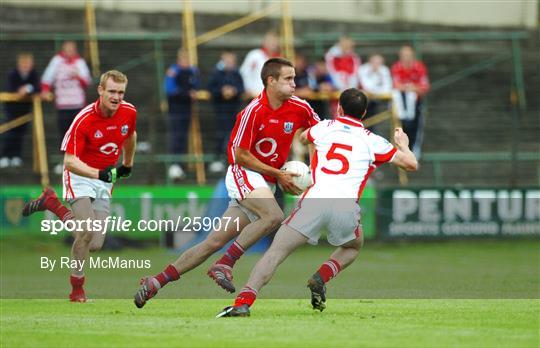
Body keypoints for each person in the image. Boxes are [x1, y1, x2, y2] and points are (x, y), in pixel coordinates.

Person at [133, 58, 320, 308]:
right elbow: (240, 154)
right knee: (274, 216)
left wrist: (315, 168)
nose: (294, 84)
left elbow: (319, 134)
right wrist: (278, 173)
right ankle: (226, 263)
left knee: (214, 241)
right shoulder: (252, 112)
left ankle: (156, 282)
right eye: (288, 79)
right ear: (271, 81)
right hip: (243, 172)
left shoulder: (301, 108)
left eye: (294, 78)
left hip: (264, 181)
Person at [216, 88, 418, 317]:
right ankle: (321, 277)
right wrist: (403, 145)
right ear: (363, 113)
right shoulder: (374, 142)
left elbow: (304, 137)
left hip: (314, 201)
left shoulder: (323, 128)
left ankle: (243, 302)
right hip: (345, 206)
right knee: (353, 246)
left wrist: (311, 164)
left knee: (276, 253)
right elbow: (411, 164)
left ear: (338, 108)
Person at [23, 70, 137, 302]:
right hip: (80, 176)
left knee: (95, 243)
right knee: (85, 232)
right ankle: (77, 288)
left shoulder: (129, 111)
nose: (117, 97)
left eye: (121, 92)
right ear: (101, 91)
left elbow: (131, 135)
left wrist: (127, 164)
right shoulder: (84, 119)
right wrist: (99, 173)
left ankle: (54, 205)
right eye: (112, 91)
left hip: (104, 179)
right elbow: (69, 161)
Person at [41, 41, 92, 175]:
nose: (69, 51)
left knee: (79, 134)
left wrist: (78, 77)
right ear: (63, 50)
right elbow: (46, 79)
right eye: (67, 49)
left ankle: (79, 162)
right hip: (63, 105)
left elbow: (87, 81)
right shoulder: (56, 61)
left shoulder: (80, 62)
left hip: (78, 105)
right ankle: (65, 163)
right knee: (64, 135)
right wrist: (45, 90)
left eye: (72, 49)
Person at [165, 48, 200, 181]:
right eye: (183, 58)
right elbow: (170, 90)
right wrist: (186, 94)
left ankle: (180, 164)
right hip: (176, 109)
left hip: (187, 109)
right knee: (176, 135)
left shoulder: (193, 71)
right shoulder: (174, 71)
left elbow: (196, 86)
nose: (186, 61)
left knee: (184, 136)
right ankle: (174, 164)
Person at [207, 51, 245, 174]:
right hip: (220, 110)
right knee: (220, 134)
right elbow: (211, 89)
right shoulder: (216, 74)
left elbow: (241, 88)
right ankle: (218, 158)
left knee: (232, 135)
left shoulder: (236, 74)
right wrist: (221, 91)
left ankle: (228, 159)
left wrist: (233, 91)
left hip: (233, 110)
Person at [1, 52, 40, 168]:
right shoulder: (13, 74)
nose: (26, 66)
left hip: (25, 110)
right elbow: (9, 88)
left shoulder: (33, 74)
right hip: (12, 110)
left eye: (28, 63)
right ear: (19, 64)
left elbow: (37, 87)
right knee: (10, 133)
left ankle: (16, 156)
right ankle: (5, 156)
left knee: (20, 134)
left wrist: (28, 88)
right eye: (24, 63)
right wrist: (19, 91)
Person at [391, 45, 430, 158]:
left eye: (409, 55)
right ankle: (400, 151)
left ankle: (414, 151)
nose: (406, 58)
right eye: (404, 55)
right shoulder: (396, 68)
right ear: (400, 56)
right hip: (400, 104)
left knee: (415, 127)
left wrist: (409, 88)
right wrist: (411, 87)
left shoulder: (419, 67)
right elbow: (395, 85)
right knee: (400, 128)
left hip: (416, 103)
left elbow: (424, 87)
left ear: (413, 56)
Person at [239, 31, 280, 98]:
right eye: (270, 41)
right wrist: (248, 90)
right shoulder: (254, 55)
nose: (273, 43)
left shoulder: (280, 60)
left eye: (275, 41)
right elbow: (244, 73)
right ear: (264, 42)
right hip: (253, 96)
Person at [359, 54, 393, 132]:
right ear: (370, 61)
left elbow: (387, 88)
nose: (376, 65)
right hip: (363, 101)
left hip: (378, 101)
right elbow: (366, 86)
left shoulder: (384, 70)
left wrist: (374, 92)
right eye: (374, 62)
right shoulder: (363, 69)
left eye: (379, 63)